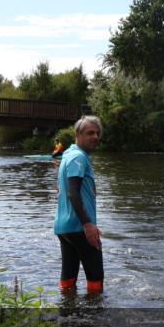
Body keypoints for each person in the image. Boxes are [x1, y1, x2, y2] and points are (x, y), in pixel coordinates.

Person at [53, 116, 104, 293]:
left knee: (68, 279)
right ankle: (95, 317)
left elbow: (65, 188)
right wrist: (87, 224)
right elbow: (73, 192)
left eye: (97, 133)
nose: (95, 137)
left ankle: (67, 314)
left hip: (63, 228)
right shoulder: (78, 158)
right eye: (90, 133)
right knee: (96, 279)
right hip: (79, 227)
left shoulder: (68, 154)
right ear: (77, 134)